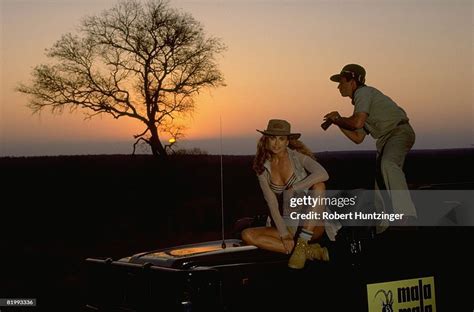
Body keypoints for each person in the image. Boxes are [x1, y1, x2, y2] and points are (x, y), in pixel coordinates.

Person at [323, 64, 417, 228]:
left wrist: (338, 118)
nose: (339, 86)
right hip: (386, 139)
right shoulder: (361, 103)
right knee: (380, 184)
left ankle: (406, 214)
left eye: (341, 81)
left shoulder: (363, 93)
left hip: (398, 132)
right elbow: (358, 137)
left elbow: (357, 122)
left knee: (388, 164)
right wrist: (338, 123)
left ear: (352, 82)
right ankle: (383, 226)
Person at [242, 119, 330, 269]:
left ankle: (302, 243)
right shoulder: (263, 168)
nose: (277, 143)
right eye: (272, 138)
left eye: (281, 139)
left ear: (287, 142)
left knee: (320, 186)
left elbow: (323, 173)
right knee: (247, 235)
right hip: (285, 222)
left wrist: (296, 187)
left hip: (310, 222)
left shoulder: (297, 157)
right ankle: (307, 251)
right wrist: (283, 234)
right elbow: (272, 203)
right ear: (266, 140)